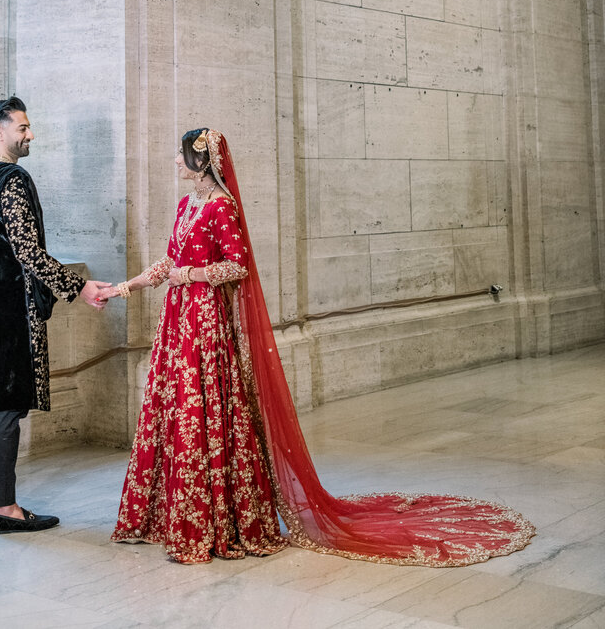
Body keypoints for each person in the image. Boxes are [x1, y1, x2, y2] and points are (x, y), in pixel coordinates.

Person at [104, 127, 536, 566]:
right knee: (176, 412)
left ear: (201, 160)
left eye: (181, 156)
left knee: (203, 413)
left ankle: (212, 523)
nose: (176, 162)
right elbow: (169, 261)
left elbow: (237, 265)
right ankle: (170, 519)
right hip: (178, 324)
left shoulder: (221, 206)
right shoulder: (185, 205)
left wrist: (192, 277)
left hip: (207, 325)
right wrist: (124, 288)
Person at [0, 96, 110, 534]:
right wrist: (79, 288)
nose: (30, 135)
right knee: (6, 405)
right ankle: (5, 509)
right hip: (9, 311)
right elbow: (28, 252)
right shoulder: (12, 179)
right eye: (22, 127)